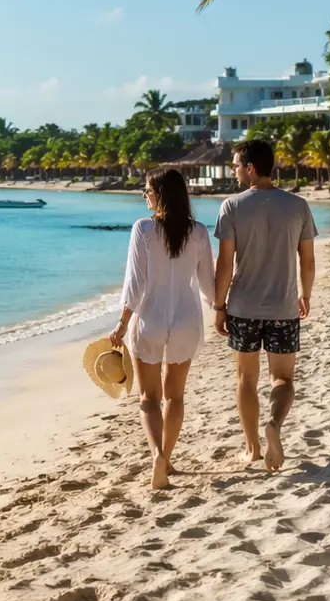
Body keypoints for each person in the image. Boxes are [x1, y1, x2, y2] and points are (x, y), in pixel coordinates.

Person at [212, 138, 317, 473]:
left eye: (236, 165)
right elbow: (308, 262)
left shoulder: (231, 206)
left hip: (243, 307)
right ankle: (273, 423)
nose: (234, 170)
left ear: (251, 169)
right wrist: (306, 294)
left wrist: (218, 305)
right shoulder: (298, 206)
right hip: (284, 306)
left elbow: (225, 265)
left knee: (245, 378)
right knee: (283, 380)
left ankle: (252, 448)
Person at [108, 167, 215, 489]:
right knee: (175, 397)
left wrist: (122, 323)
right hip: (186, 321)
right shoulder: (197, 232)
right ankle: (167, 460)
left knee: (149, 398)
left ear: (159, 195)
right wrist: (222, 311)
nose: (145, 196)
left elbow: (135, 285)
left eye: (147, 191)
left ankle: (156, 455)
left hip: (149, 320)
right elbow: (208, 284)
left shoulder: (143, 229)